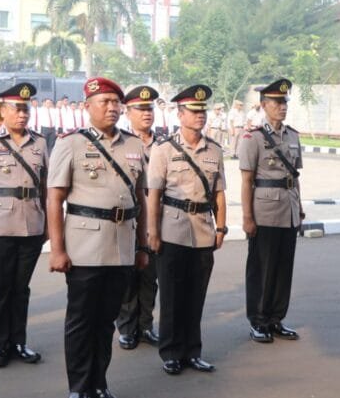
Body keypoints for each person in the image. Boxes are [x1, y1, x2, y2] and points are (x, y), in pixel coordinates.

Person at [48, 77, 148, 398]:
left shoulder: (134, 146)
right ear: (87, 107)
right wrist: (57, 250)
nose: (111, 108)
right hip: (84, 247)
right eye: (104, 102)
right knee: (81, 320)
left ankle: (99, 383)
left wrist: (142, 245)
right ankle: (79, 387)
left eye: (115, 102)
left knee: (106, 321)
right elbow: (55, 199)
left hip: (121, 246)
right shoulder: (71, 144)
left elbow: (141, 200)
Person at [147, 85, 227, 375]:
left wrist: (222, 228)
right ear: (180, 114)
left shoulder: (214, 150)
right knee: (172, 295)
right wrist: (153, 233)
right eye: (194, 111)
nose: (200, 116)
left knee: (196, 295)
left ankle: (193, 351)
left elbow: (219, 193)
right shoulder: (163, 150)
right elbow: (153, 195)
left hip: (203, 230)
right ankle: (170, 352)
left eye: (203, 111)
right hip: (172, 229)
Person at [0, 83, 48, 368]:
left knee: (21, 287)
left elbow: (46, 186)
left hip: (31, 224)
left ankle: (18, 341)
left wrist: (49, 223)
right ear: (2, 112)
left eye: (26, 109)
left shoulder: (39, 143)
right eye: (16, 109)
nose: (22, 115)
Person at [239, 78, 304, 343]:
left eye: (285, 102)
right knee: (262, 268)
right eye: (277, 102)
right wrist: (247, 217)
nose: (283, 106)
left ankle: (276, 317)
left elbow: (295, 175)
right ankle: (258, 320)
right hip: (264, 211)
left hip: (287, 209)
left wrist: (299, 207)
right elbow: (246, 180)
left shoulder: (293, 136)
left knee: (283, 268)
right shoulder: (252, 137)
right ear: (264, 105)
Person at [115, 85, 161, 351]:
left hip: (155, 220)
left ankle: (146, 325)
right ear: (128, 112)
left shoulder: (164, 144)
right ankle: (127, 328)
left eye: (150, 109)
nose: (147, 114)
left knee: (150, 276)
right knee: (128, 276)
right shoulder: (119, 142)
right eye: (141, 109)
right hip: (128, 218)